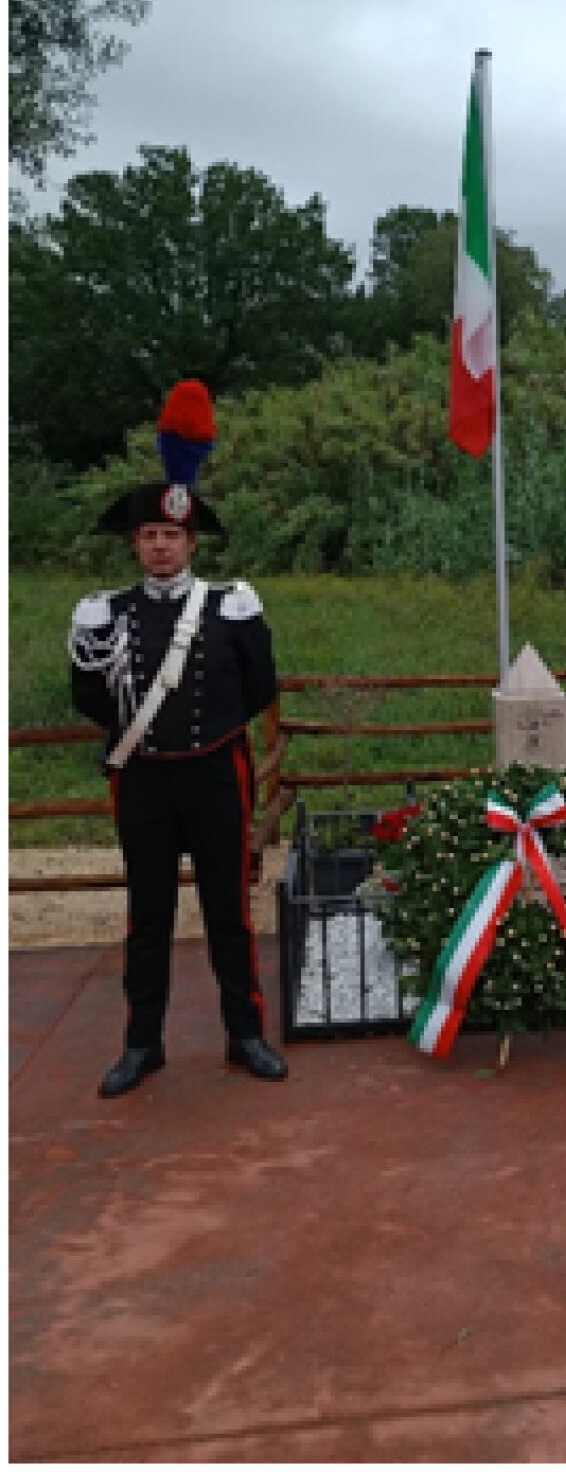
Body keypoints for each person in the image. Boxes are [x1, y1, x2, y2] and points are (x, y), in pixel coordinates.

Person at [68, 380, 289, 1096]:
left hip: (217, 772)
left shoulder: (231, 606)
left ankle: (245, 1033)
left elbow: (259, 684)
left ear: (191, 543)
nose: (160, 546)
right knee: (148, 917)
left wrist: (212, 726)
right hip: (145, 779)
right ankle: (142, 1044)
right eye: (149, 536)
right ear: (135, 544)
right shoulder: (105, 614)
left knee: (230, 911)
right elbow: (89, 696)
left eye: (171, 536)